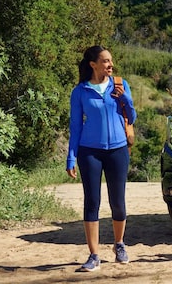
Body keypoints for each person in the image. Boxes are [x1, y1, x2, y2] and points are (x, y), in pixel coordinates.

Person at [66, 45, 136, 272]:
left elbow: (132, 117)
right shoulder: (80, 91)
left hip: (118, 150)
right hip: (89, 152)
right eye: (105, 61)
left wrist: (125, 99)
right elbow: (75, 126)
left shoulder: (120, 85)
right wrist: (71, 157)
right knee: (92, 202)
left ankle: (119, 244)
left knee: (118, 202)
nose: (110, 64)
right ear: (93, 64)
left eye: (111, 61)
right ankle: (94, 255)